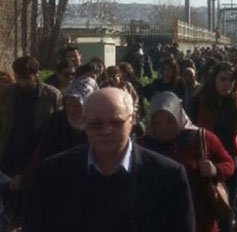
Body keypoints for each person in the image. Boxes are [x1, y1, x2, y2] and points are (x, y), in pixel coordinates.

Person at [26, 88, 195, 231]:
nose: (106, 131)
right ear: (84, 122)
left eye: (116, 123)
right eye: (96, 124)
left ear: (132, 120)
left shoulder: (168, 176)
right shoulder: (53, 173)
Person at [139, 92, 235, 232]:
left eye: (169, 121)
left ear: (179, 117)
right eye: (158, 122)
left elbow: (229, 163)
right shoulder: (143, 145)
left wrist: (215, 169)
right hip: (157, 221)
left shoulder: (201, 138)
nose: (164, 127)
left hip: (200, 221)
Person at [188, 61, 237, 232]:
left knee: (227, 208)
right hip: (206, 161)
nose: (227, 84)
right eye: (222, 80)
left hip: (231, 161)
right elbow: (189, 125)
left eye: (231, 80)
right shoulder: (200, 100)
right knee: (205, 207)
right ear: (214, 80)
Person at [0, 56, 62, 226]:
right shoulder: (8, 94)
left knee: (32, 201)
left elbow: (58, 126)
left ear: (36, 74)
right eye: (19, 78)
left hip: (36, 154)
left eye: (26, 78)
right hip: (9, 153)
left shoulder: (51, 95)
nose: (23, 83)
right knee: (8, 202)